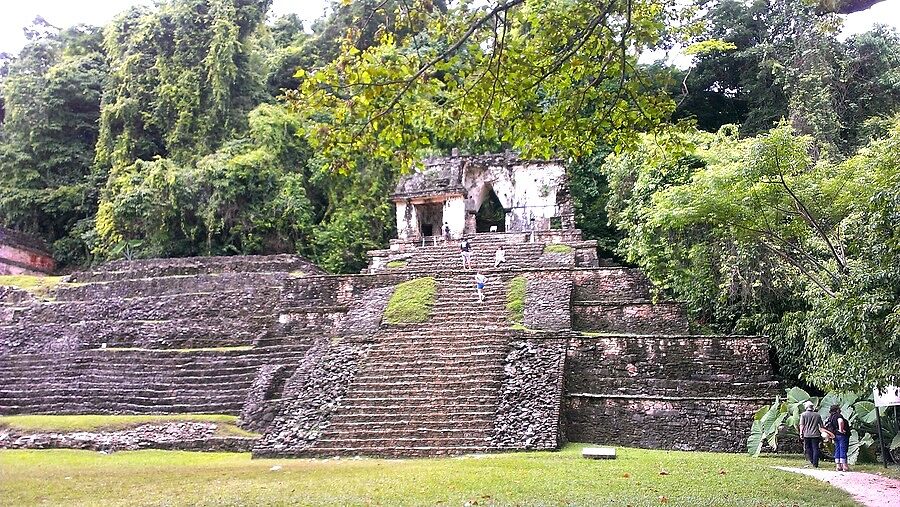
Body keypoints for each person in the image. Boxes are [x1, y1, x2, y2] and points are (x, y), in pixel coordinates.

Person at [798, 400, 825, 468]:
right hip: (816, 434)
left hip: (806, 434)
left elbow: (802, 425)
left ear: (806, 407)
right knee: (815, 448)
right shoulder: (817, 415)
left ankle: (812, 461)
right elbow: (821, 425)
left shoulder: (803, 415)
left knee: (808, 448)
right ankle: (815, 464)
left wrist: (801, 433)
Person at [826, 404, 851, 472]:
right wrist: (841, 430)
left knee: (837, 449)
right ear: (837, 410)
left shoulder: (830, 417)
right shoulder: (838, 416)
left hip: (834, 435)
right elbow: (840, 421)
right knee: (843, 449)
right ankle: (844, 466)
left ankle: (838, 466)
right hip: (841, 435)